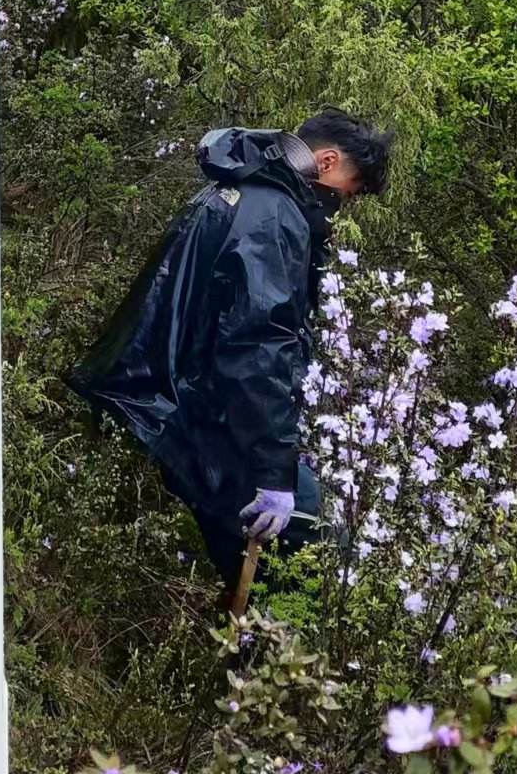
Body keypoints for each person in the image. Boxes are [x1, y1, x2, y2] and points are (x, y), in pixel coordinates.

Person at [69, 109, 394, 597]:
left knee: (256, 564)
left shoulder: (238, 192)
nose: (341, 206)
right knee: (322, 556)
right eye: (348, 192)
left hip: (177, 403)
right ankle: (271, 666)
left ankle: (250, 658)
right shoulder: (273, 217)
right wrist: (272, 474)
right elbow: (258, 348)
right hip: (203, 415)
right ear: (327, 161)